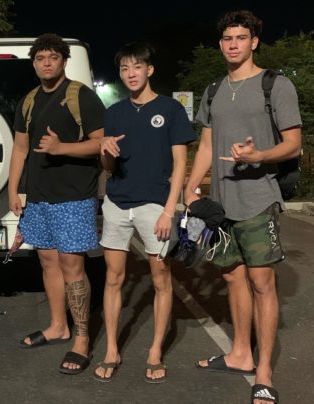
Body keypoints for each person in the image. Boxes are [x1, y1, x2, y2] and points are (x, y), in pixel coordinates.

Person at [185, 10, 301, 404]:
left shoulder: (276, 85)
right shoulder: (214, 89)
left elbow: (293, 144)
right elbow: (205, 146)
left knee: (262, 283)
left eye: (240, 37)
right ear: (220, 44)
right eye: (227, 38)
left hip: (258, 199)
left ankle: (263, 371)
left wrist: (259, 156)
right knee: (232, 278)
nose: (233, 44)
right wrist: (190, 188)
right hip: (220, 204)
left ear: (254, 42)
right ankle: (240, 354)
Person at [93, 42, 195, 383]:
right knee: (113, 278)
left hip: (155, 206)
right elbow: (109, 167)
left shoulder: (170, 109)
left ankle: (154, 351)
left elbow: (180, 163)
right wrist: (105, 151)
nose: (130, 73)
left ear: (149, 70)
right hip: (117, 203)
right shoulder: (114, 112)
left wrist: (169, 210)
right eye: (124, 68)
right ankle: (111, 349)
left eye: (136, 66)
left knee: (161, 278)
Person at [9, 33, 105, 375]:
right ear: (34, 63)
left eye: (52, 57)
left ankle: (82, 339)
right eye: (40, 58)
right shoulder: (29, 100)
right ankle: (57, 326)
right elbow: (20, 148)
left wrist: (61, 148)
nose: (46, 63)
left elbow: (101, 143)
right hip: (38, 197)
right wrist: (13, 190)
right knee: (48, 261)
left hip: (73, 196)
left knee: (72, 266)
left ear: (64, 61)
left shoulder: (81, 96)